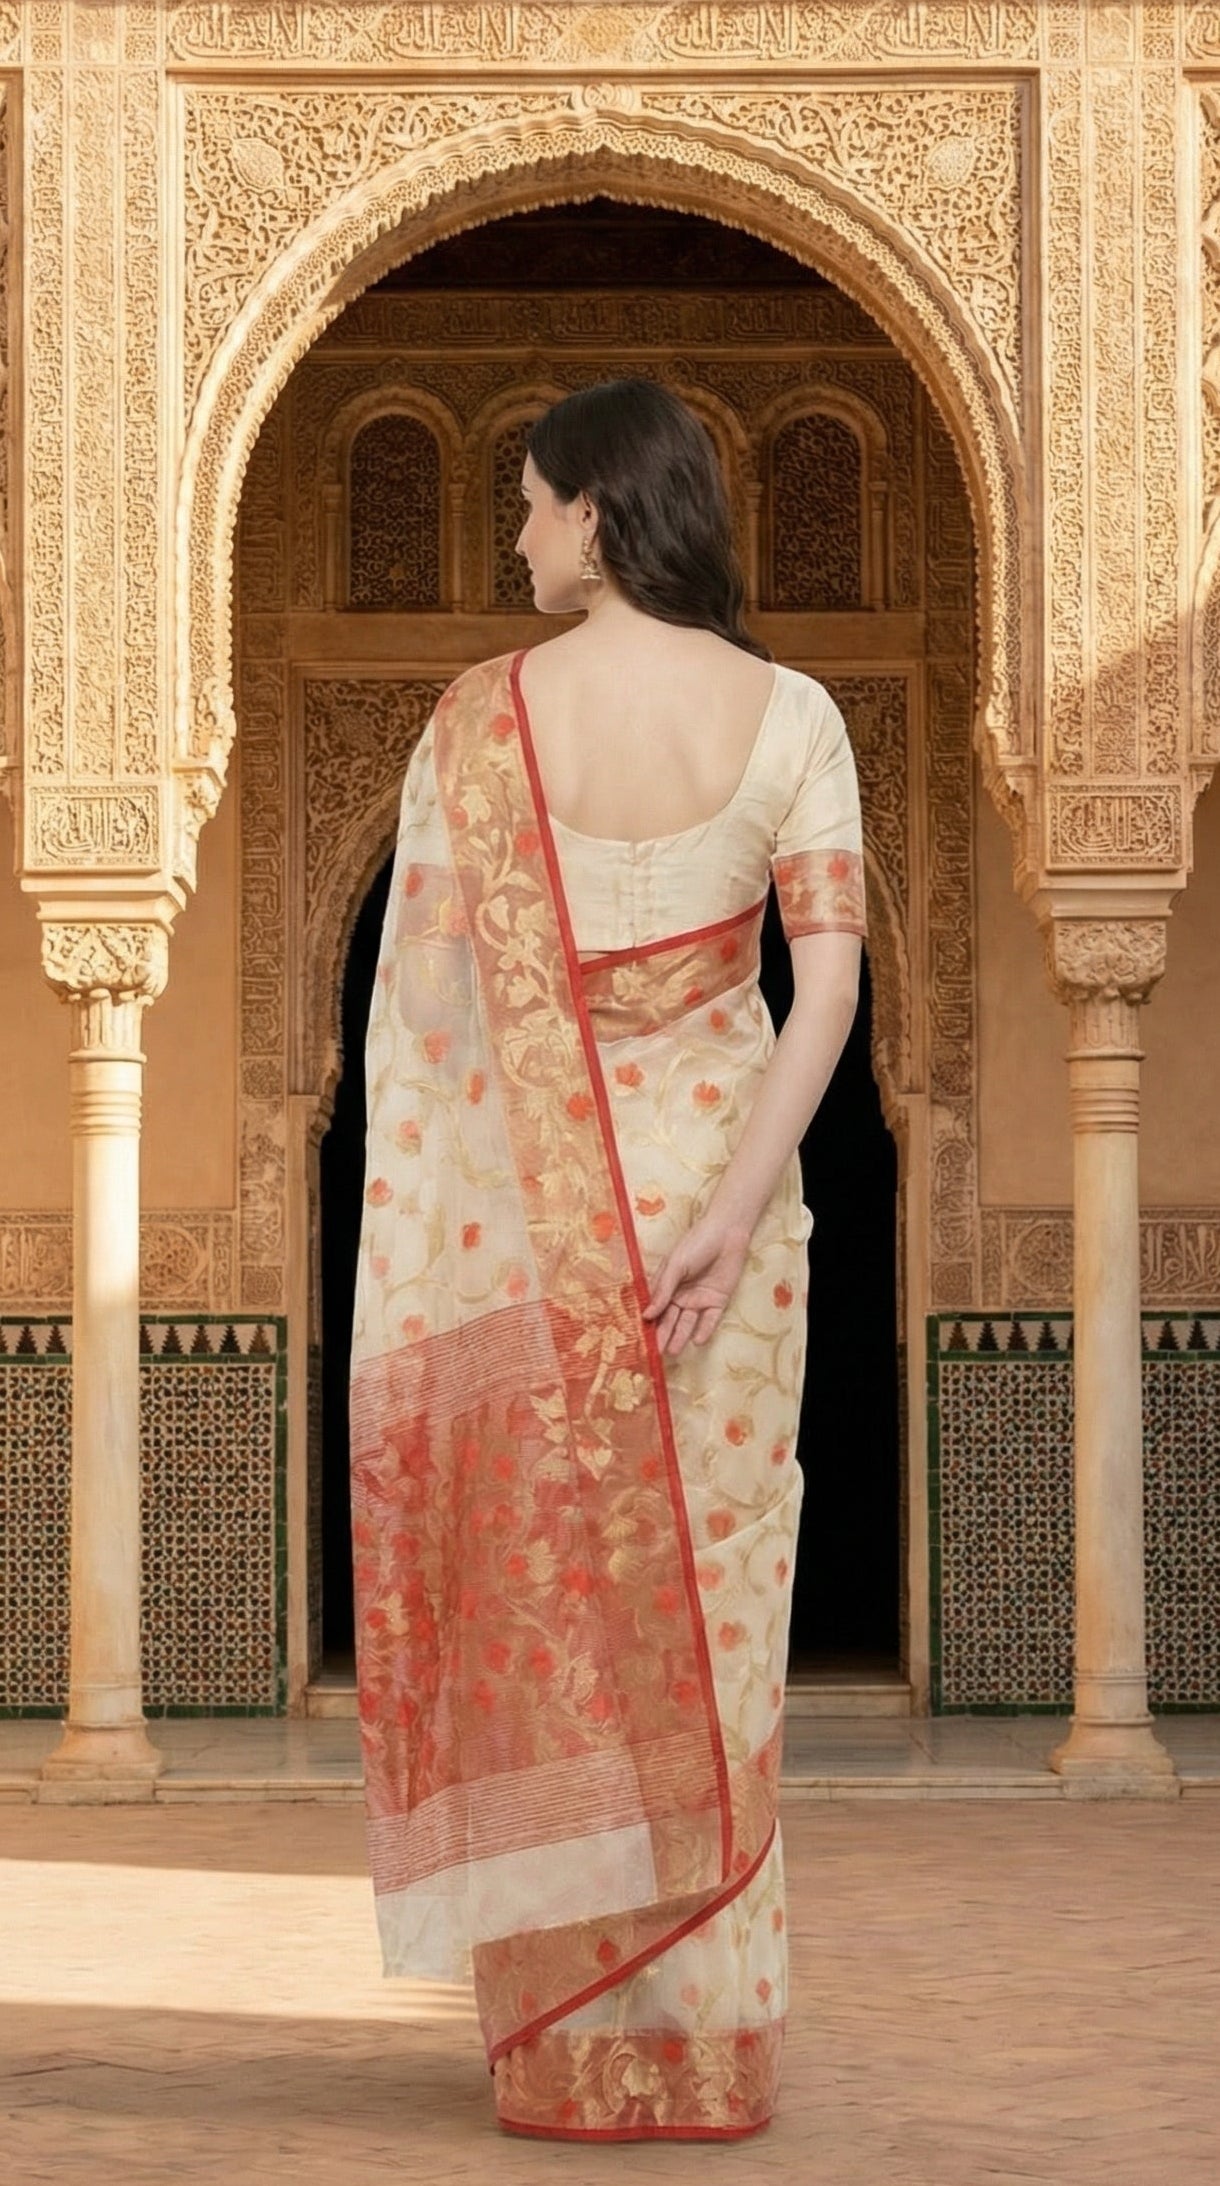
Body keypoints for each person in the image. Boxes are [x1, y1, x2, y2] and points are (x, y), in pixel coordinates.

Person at [349, 377, 865, 2141]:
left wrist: (539, 1112)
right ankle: (705, 2042)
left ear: (594, 512)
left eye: (529, 502)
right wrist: (726, 1212)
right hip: (740, 1204)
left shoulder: (480, 724)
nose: (514, 533)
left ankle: (566, 2047)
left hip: (538, 1227)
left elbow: (429, 1014)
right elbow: (829, 997)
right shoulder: (795, 712)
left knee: (554, 1607)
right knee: (717, 1606)